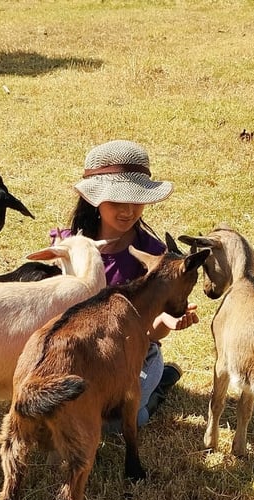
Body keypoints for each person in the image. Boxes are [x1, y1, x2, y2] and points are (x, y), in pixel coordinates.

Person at [49, 139, 199, 432]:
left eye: (136, 200)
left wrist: (167, 322)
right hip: (80, 353)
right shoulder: (69, 246)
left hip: (135, 356)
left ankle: (158, 385)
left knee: (120, 420)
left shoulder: (154, 257)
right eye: (117, 201)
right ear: (95, 200)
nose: (128, 211)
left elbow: (151, 332)